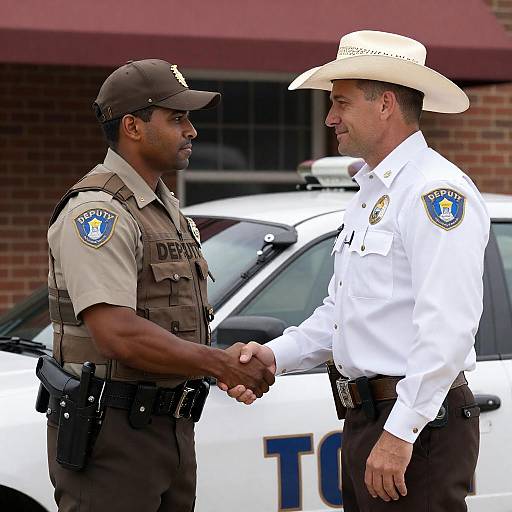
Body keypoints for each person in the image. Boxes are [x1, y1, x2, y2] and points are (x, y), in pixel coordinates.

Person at [221, 30, 490, 511]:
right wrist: (274, 356)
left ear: (385, 104)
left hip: (417, 426)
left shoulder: (435, 193)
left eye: (340, 102)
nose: (330, 117)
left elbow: (447, 327)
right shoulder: (371, 192)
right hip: (368, 420)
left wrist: (400, 432)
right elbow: (342, 314)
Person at [44, 59, 274, 512]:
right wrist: (220, 365)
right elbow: (116, 333)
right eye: (177, 118)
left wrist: (219, 366)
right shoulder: (100, 212)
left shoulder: (163, 208)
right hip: (111, 434)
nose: (192, 131)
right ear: (132, 126)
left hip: (166, 425)